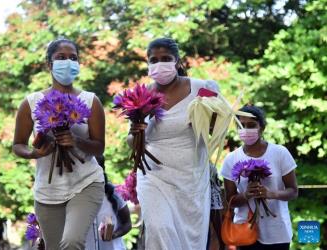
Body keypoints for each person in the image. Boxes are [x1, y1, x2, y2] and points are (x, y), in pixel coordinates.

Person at [12, 38, 106, 250]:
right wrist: (33, 154)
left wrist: (77, 141)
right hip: (47, 191)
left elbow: (100, 147)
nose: (68, 62)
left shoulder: (91, 101)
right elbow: (18, 144)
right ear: (49, 64)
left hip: (86, 184)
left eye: (73, 58)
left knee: (71, 243)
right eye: (61, 58)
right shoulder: (31, 102)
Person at [127, 37, 219, 250]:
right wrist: (135, 130)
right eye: (154, 60)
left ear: (177, 61)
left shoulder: (201, 89)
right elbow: (132, 142)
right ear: (148, 63)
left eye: (166, 58)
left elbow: (214, 129)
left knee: (189, 241)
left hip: (191, 180)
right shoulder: (141, 96)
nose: (160, 64)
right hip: (153, 177)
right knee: (160, 232)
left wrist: (209, 112)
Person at [220, 105, 298, 250]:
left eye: (251, 125)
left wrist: (271, 193)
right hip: (244, 230)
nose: (246, 129)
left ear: (261, 128)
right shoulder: (231, 159)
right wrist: (246, 195)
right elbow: (230, 200)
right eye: (241, 125)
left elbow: (293, 191)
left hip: (277, 232)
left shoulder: (280, 153)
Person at [86, 156, 132, 250]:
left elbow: (127, 224)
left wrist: (114, 234)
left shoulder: (115, 193)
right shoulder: (74, 198)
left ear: (102, 169)